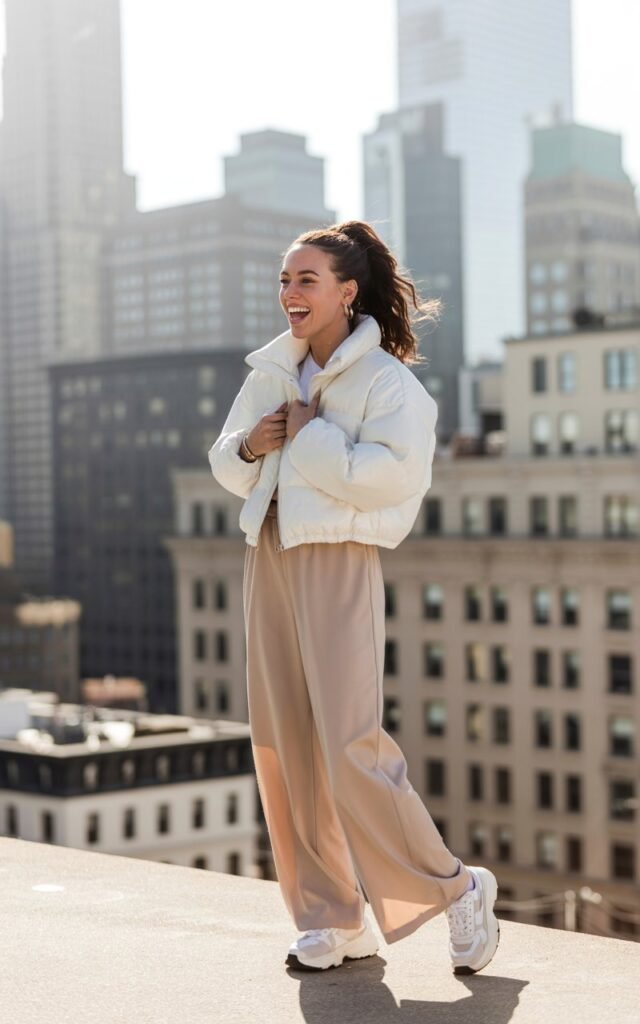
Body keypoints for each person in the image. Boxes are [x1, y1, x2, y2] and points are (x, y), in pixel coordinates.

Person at [208, 219, 500, 974]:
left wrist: (305, 439)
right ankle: (333, 918)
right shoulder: (272, 369)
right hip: (267, 553)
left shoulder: (389, 383)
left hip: (337, 556)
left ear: (347, 291)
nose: (290, 294)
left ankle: (458, 888)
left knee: (350, 748)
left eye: (305, 279)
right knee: (285, 745)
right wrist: (253, 445)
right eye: (283, 279)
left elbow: (389, 478)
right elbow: (226, 459)